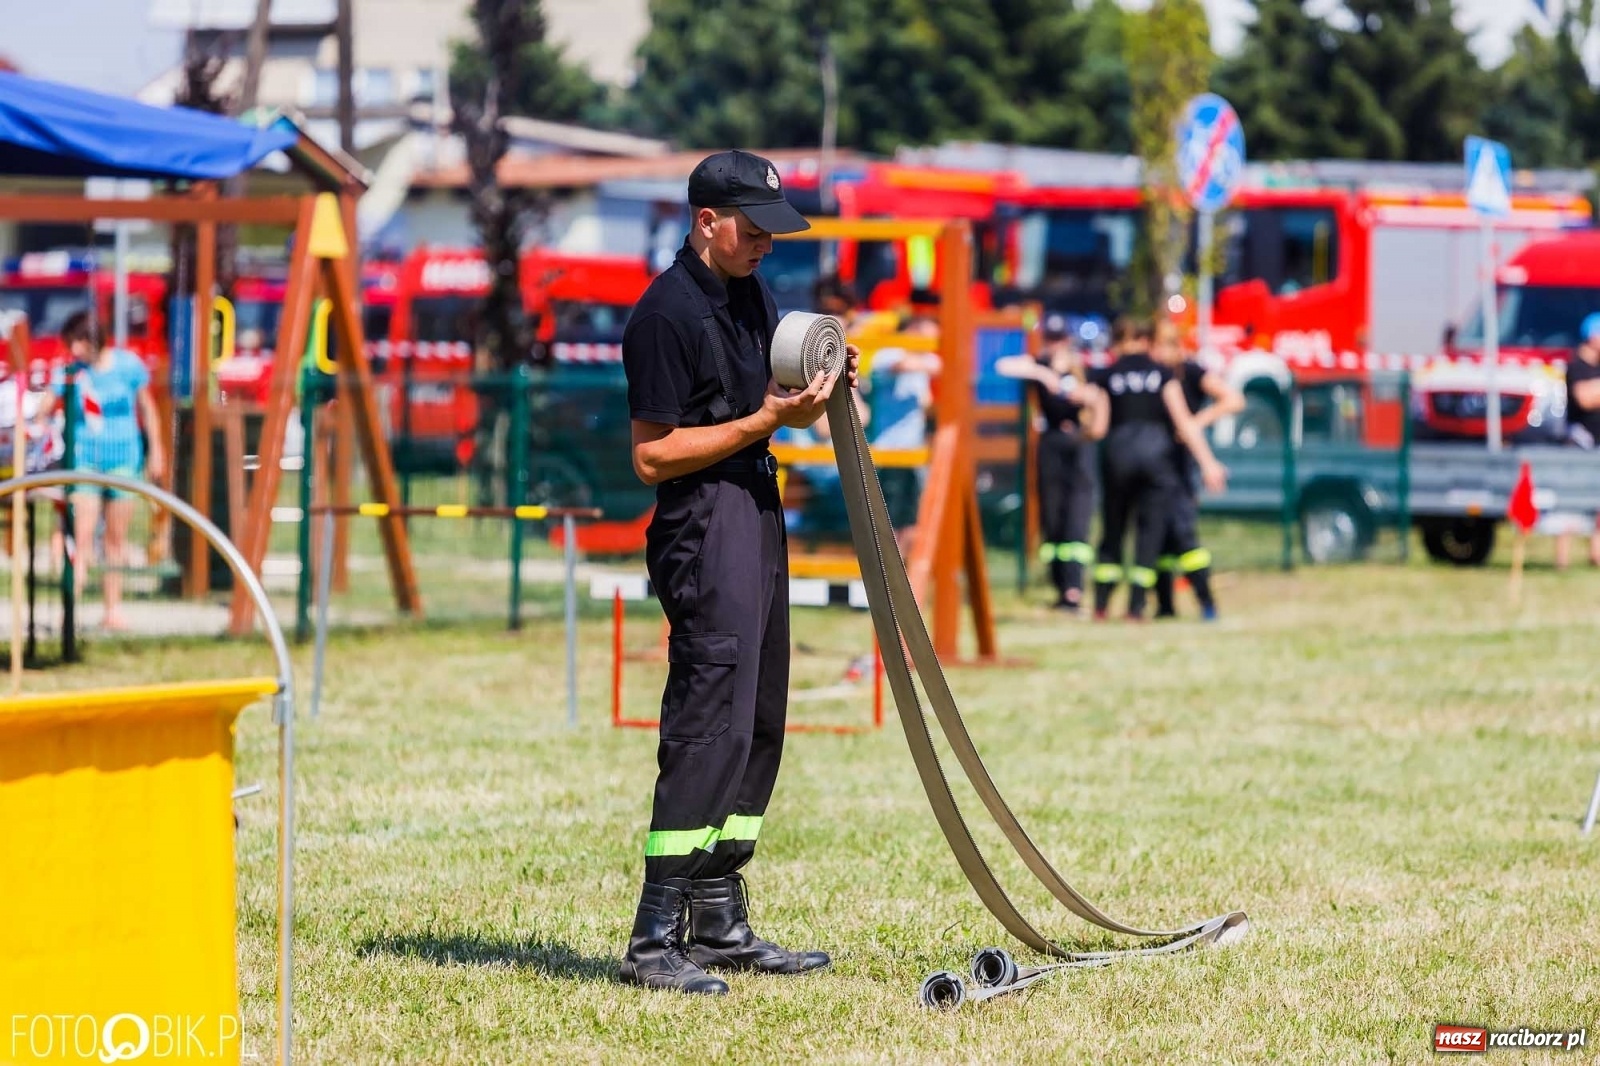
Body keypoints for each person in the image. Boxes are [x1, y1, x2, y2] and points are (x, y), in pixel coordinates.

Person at [619, 149, 858, 996]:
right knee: (708, 720)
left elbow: (774, 390)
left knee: (759, 714)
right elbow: (652, 455)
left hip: (756, 510)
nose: (765, 246)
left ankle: (719, 921)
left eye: (773, 233)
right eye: (752, 231)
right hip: (701, 521)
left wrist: (820, 381)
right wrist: (765, 418)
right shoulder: (664, 315)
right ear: (707, 220)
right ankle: (655, 937)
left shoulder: (752, 293)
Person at [1081, 318, 1225, 622]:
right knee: (1149, 533)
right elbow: (1184, 422)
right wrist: (1209, 464)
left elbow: (1099, 427)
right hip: (1156, 460)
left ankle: (1101, 606)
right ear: (1148, 343)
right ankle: (1135, 608)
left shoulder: (1108, 374)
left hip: (1117, 459)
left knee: (1114, 530)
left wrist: (1084, 425)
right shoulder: (1162, 375)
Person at [48, 311, 165, 631]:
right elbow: (46, 405)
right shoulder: (72, 372)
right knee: (81, 535)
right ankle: (69, 610)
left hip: (124, 460)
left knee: (115, 539)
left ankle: (112, 610)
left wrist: (157, 449)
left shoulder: (128, 366)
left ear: (91, 340)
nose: (72, 351)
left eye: (76, 343)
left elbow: (147, 408)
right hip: (84, 460)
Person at [996, 313, 1096, 612]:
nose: (1052, 345)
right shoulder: (1039, 365)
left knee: (1076, 517)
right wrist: (1042, 374)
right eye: (1048, 339)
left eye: (1057, 339)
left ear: (1066, 341)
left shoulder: (1082, 367)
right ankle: (1059, 587)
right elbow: (1003, 366)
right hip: (1051, 444)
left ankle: (1074, 589)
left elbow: (1093, 396)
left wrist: (1068, 387)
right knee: (1052, 516)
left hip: (1078, 444)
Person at [1150, 318, 1243, 619]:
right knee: (1159, 538)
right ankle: (1164, 606)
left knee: (1184, 535)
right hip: (1156, 465)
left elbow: (1233, 400)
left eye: (1163, 345)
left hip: (1181, 466)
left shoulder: (1190, 372)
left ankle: (1206, 603)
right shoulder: (1155, 375)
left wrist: (1197, 422)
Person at [1556, 313, 1600, 569]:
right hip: (1580, 445)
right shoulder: (1576, 366)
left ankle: (1596, 556)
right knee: (1571, 506)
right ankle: (1562, 561)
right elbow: (1584, 397)